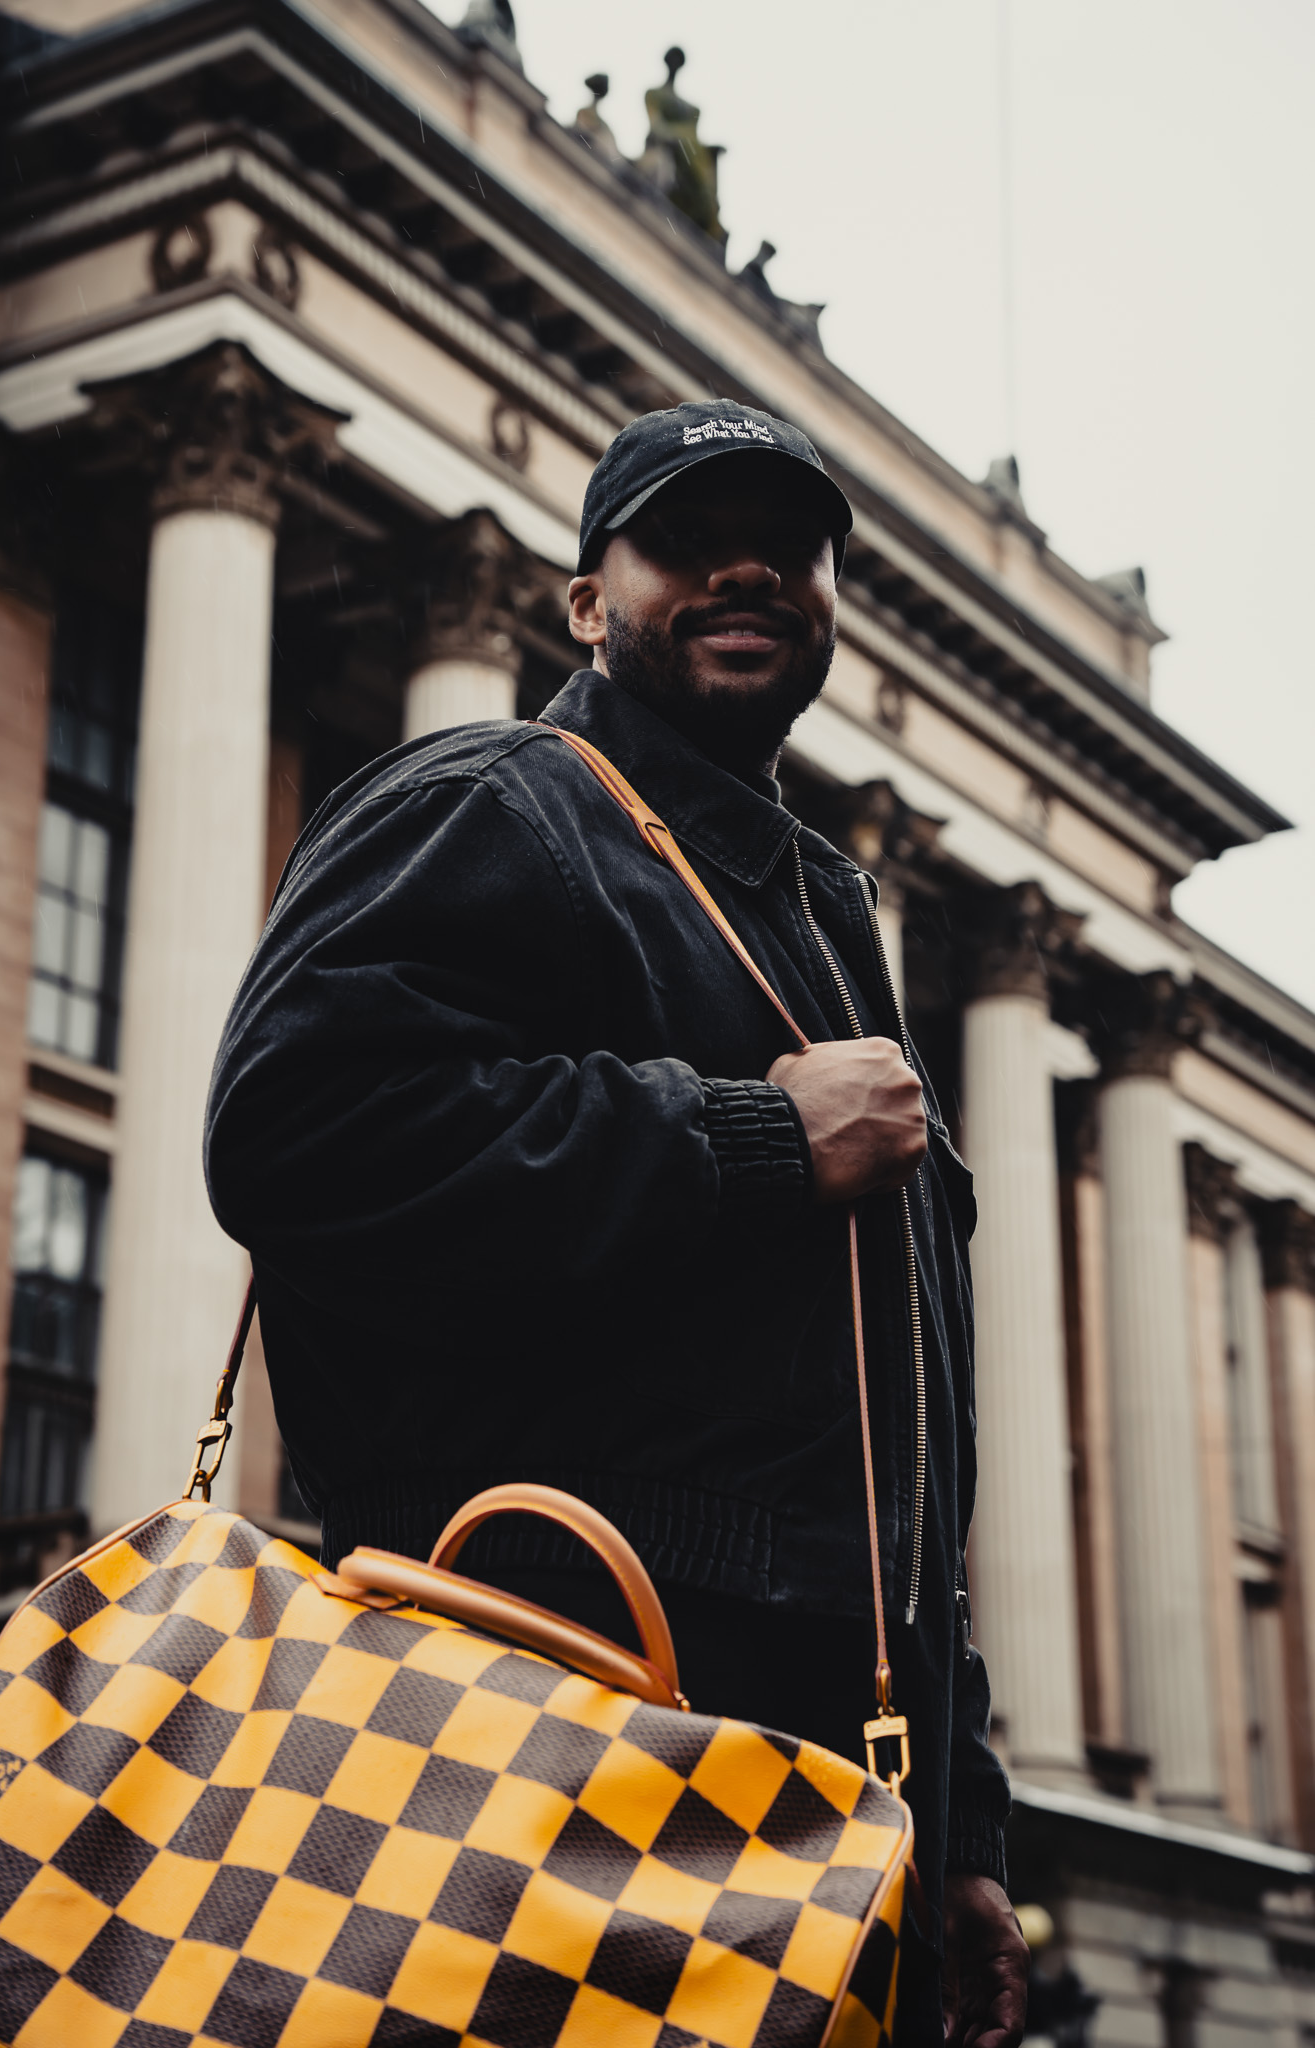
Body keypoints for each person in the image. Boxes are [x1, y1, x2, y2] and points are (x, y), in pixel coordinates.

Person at [205, 398, 1028, 2046]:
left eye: (788, 547)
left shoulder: (818, 911)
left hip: (818, 1808)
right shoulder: (497, 801)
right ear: (587, 600)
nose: (746, 571)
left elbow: (891, 1453)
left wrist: (959, 1821)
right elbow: (297, 1135)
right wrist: (751, 1139)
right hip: (548, 1751)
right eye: (682, 539)